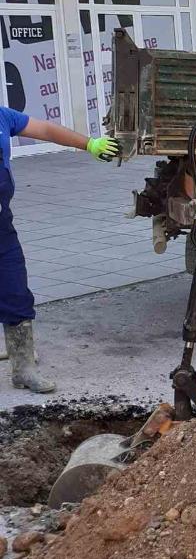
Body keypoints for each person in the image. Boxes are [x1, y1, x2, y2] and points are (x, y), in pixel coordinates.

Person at [0, 108, 121, 392]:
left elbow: (45, 130)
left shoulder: (3, 117)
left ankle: (23, 368)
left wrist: (90, 144)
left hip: (1, 227)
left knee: (16, 291)